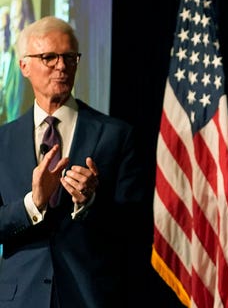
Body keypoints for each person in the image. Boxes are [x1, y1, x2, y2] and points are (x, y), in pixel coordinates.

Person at [0, 16, 146, 307]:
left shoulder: (116, 135)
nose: (62, 67)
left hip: (90, 295)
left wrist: (90, 202)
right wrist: (32, 204)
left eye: (70, 57)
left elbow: (136, 224)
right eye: (49, 57)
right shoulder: (2, 141)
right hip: (20, 298)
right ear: (24, 66)